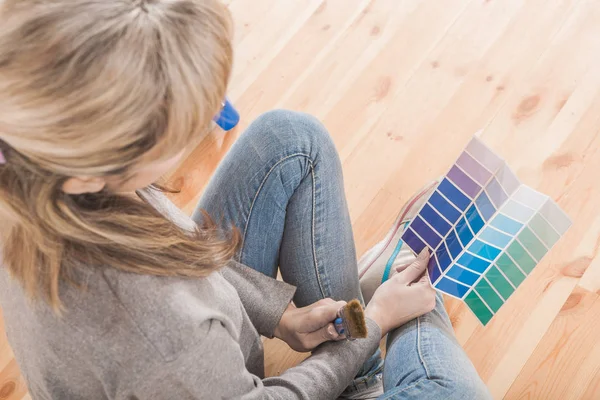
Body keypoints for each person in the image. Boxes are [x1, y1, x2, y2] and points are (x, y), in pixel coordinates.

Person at [0, 1, 492, 399]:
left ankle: (362, 351)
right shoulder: (157, 332)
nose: (214, 120)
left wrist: (282, 316)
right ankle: (372, 337)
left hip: (198, 352)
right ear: (96, 167)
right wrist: (375, 322)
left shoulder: (38, 167)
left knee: (291, 139)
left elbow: (176, 247)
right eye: (187, 124)